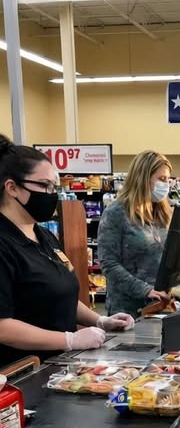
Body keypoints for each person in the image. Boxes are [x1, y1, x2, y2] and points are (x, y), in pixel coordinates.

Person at [0, 136, 134, 369]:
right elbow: (3, 327)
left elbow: (62, 295)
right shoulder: (4, 245)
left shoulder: (44, 236)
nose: (51, 194)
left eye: (54, 187)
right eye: (44, 186)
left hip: (60, 365)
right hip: (22, 372)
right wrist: (69, 340)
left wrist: (101, 321)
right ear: (12, 188)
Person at [97, 150, 173, 316]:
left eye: (168, 179)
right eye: (161, 179)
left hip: (161, 304)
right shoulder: (116, 213)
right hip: (127, 310)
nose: (166, 185)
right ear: (143, 179)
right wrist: (145, 290)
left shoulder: (162, 212)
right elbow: (108, 264)